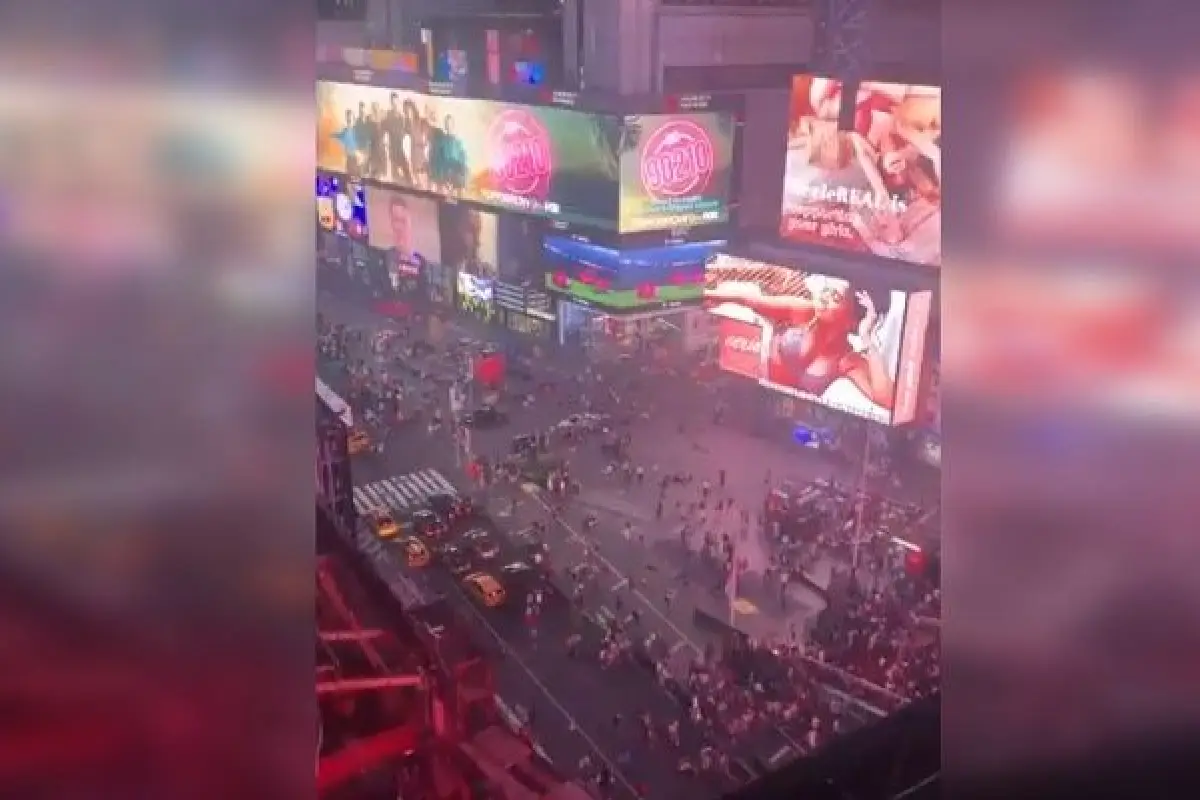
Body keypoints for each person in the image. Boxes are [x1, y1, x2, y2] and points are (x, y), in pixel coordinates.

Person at [706, 272, 897, 412]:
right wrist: (695, 294)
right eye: (825, 292)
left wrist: (867, 339)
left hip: (770, 401)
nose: (823, 299)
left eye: (834, 298)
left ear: (851, 320)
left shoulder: (847, 360)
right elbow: (748, 300)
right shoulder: (805, 312)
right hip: (744, 362)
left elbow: (886, 399)